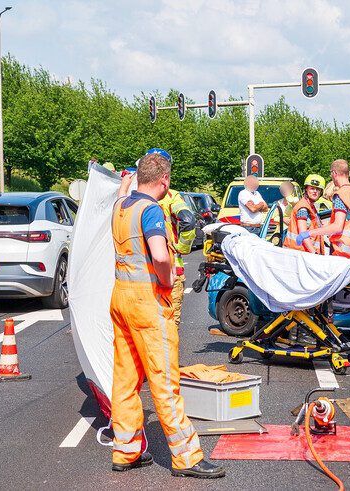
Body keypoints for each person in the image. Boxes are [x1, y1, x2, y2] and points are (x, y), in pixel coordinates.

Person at [110, 153, 225, 478]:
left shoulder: (121, 207)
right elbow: (160, 254)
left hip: (120, 298)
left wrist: (123, 184)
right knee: (164, 380)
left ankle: (126, 450)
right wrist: (167, 278)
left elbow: (122, 195)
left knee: (125, 379)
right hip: (148, 301)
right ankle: (186, 457)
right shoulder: (151, 211)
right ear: (165, 181)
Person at [297, 159, 350, 355]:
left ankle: (326, 342)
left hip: (344, 256)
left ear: (334, 174)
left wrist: (309, 233)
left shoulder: (341, 195)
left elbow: (337, 226)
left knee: (327, 296)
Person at [149, 149, 197, 329]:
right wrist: (182, 247)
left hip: (142, 274)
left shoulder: (134, 196)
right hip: (170, 269)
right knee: (170, 323)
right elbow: (188, 220)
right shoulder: (171, 196)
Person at [283, 174, 326, 254]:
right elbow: (303, 234)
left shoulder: (310, 206)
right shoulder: (303, 208)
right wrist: (314, 253)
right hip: (300, 253)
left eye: (318, 189)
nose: (315, 191)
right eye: (312, 188)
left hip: (302, 253)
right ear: (306, 189)